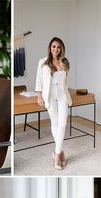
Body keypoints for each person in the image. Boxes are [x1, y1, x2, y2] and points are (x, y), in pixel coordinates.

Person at [36, 37, 71, 170]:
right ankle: (60, 152)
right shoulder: (43, 62)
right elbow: (39, 80)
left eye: (59, 47)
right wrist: (39, 95)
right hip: (49, 96)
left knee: (62, 123)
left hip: (62, 95)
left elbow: (67, 81)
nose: (56, 49)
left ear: (62, 48)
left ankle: (56, 154)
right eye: (54, 46)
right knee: (55, 123)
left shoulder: (65, 62)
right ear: (50, 48)